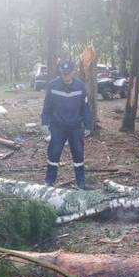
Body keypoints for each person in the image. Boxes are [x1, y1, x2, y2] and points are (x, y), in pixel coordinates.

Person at [41, 59, 93, 189]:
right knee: (54, 153)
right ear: (61, 72)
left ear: (73, 72)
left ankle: (81, 183)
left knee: (78, 154)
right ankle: (49, 181)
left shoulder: (80, 86)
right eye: (64, 73)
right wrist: (45, 123)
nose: (66, 76)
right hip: (57, 126)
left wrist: (87, 125)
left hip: (75, 127)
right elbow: (47, 106)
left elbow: (85, 107)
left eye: (68, 73)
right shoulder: (53, 85)